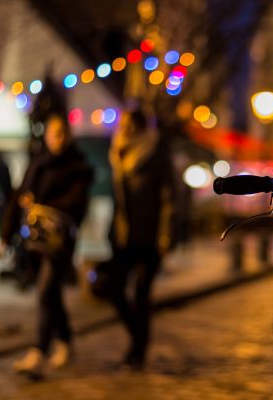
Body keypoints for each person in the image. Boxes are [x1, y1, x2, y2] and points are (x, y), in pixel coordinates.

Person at [0, 113, 93, 377]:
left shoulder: (78, 167)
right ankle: (65, 341)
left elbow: (76, 203)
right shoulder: (38, 164)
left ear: (69, 135)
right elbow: (20, 195)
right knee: (51, 294)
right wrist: (6, 234)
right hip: (34, 240)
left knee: (45, 291)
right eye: (54, 134)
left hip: (59, 242)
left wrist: (42, 206)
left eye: (62, 134)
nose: (58, 139)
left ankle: (38, 350)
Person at [108, 108, 174, 369]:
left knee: (141, 294)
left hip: (150, 235)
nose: (123, 128)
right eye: (122, 123)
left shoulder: (156, 154)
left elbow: (169, 198)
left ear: (139, 127)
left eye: (128, 124)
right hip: (124, 235)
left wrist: (165, 234)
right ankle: (138, 339)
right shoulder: (118, 152)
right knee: (114, 289)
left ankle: (138, 350)